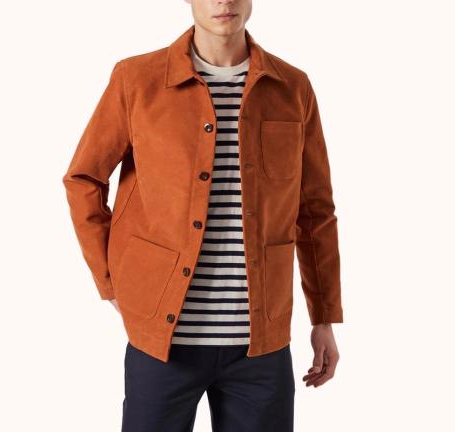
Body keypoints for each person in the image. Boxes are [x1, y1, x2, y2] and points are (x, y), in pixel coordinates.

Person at [62, 1, 343, 430]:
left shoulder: (292, 87)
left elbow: (316, 209)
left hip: (261, 347)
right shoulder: (136, 79)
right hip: (162, 343)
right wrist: (109, 279)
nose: (223, 1)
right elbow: (83, 178)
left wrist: (323, 318)